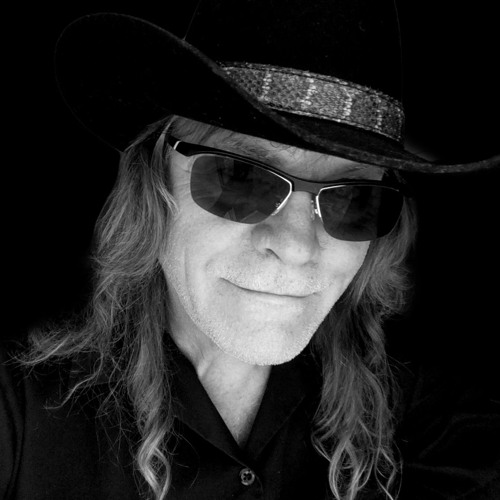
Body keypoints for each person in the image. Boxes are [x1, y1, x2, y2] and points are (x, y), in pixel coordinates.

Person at [1, 1, 499, 499]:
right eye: (240, 177)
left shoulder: (430, 427)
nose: (296, 246)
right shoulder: (19, 418)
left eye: (352, 198)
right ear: (153, 185)